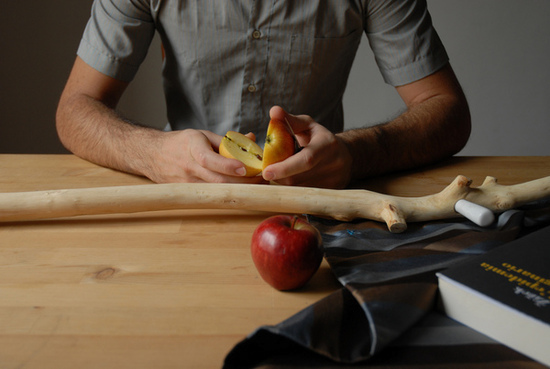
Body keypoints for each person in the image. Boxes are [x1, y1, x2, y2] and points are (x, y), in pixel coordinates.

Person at [56, 0, 471, 189]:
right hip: (181, 193)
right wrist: (153, 153)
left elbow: (446, 108)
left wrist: (354, 154)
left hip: (319, 200)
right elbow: (75, 109)